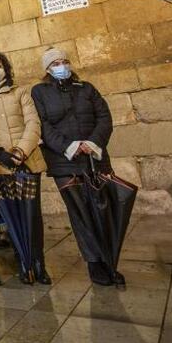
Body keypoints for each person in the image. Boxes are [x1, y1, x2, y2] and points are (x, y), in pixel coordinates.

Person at [31, 48, 123, 287]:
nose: (61, 66)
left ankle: (110, 260)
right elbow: (42, 125)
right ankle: (94, 262)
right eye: (55, 63)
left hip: (94, 157)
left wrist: (91, 143)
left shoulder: (87, 89)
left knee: (104, 210)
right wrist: (69, 146)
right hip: (64, 161)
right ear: (47, 69)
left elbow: (104, 117)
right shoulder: (40, 92)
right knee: (80, 212)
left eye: (64, 61)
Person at [0, 52, 50, 285]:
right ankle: (23, 262)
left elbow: (33, 123)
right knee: (12, 215)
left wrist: (20, 151)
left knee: (31, 215)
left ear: (6, 68)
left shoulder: (20, 92)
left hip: (27, 160)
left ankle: (38, 263)